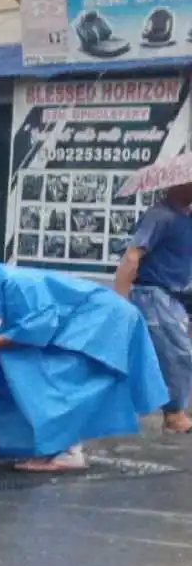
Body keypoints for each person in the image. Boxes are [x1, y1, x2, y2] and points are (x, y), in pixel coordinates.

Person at [0, 253, 167, 471]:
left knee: (60, 381)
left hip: (99, 321)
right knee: (13, 376)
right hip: (70, 324)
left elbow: (39, 326)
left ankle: (68, 452)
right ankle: (46, 444)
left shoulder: (16, 285)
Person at [112, 182, 192, 433]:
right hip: (152, 293)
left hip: (175, 296)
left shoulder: (185, 217)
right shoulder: (160, 216)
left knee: (158, 353)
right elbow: (132, 256)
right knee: (178, 352)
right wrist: (119, 300)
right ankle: (174, 415)